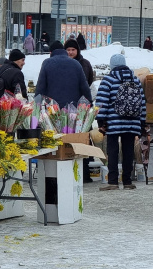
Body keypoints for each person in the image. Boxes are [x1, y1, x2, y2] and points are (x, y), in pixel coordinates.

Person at [96, 53, 146, 191]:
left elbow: (102, 102)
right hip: (132, 122)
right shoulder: (135, 80)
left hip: (114, 122)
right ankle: (128, 182)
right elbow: (142, 102)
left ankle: (113, 182)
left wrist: (101, 122)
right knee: (128, 151)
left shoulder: (108, 80)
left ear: (112, 66)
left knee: (112, 151)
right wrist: (141, 122)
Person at [35, 40, 91, 107]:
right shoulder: (76, 64)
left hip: (52, 109)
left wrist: (36, 106)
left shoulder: (47, 63)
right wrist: (89, 103)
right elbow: (85, 88)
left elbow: (40, 88)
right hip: (72, 108)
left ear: (51, 52)